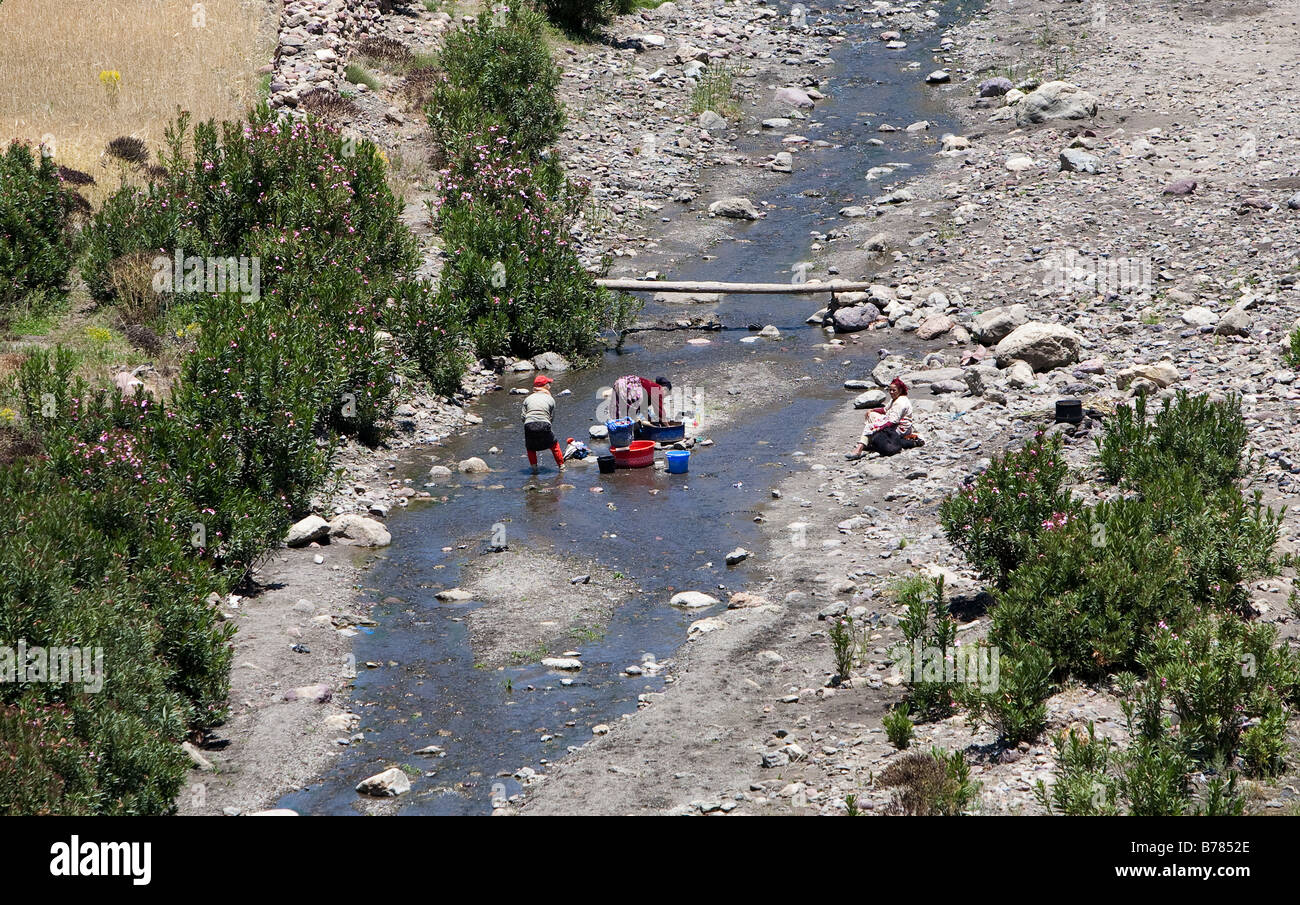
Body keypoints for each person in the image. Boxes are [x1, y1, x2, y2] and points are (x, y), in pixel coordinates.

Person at [846, 377, 921, 459]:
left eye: (894, 390)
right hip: (893, 422)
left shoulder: (900, 403)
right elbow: (885, 410)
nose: (891, 392)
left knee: (870, 427)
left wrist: (878, 428)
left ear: (900, 390)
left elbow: (892, 422)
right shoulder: (894, 399)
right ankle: (869, 439)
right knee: (872, 414)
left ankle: (859, 449)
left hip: (901, 428)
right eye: (890, 390)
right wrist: (872, 410)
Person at [522, 375, 564, 473]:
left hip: (528, 424)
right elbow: (551, 417)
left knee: (530, 447)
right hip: (544, 423)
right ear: (544, 386)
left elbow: (523, 417)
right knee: (554, 445)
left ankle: (534, 469)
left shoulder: (527, 399)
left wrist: (530, 424)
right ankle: (561, 467)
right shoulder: (550, 399)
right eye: (548, 384)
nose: (550, 385)